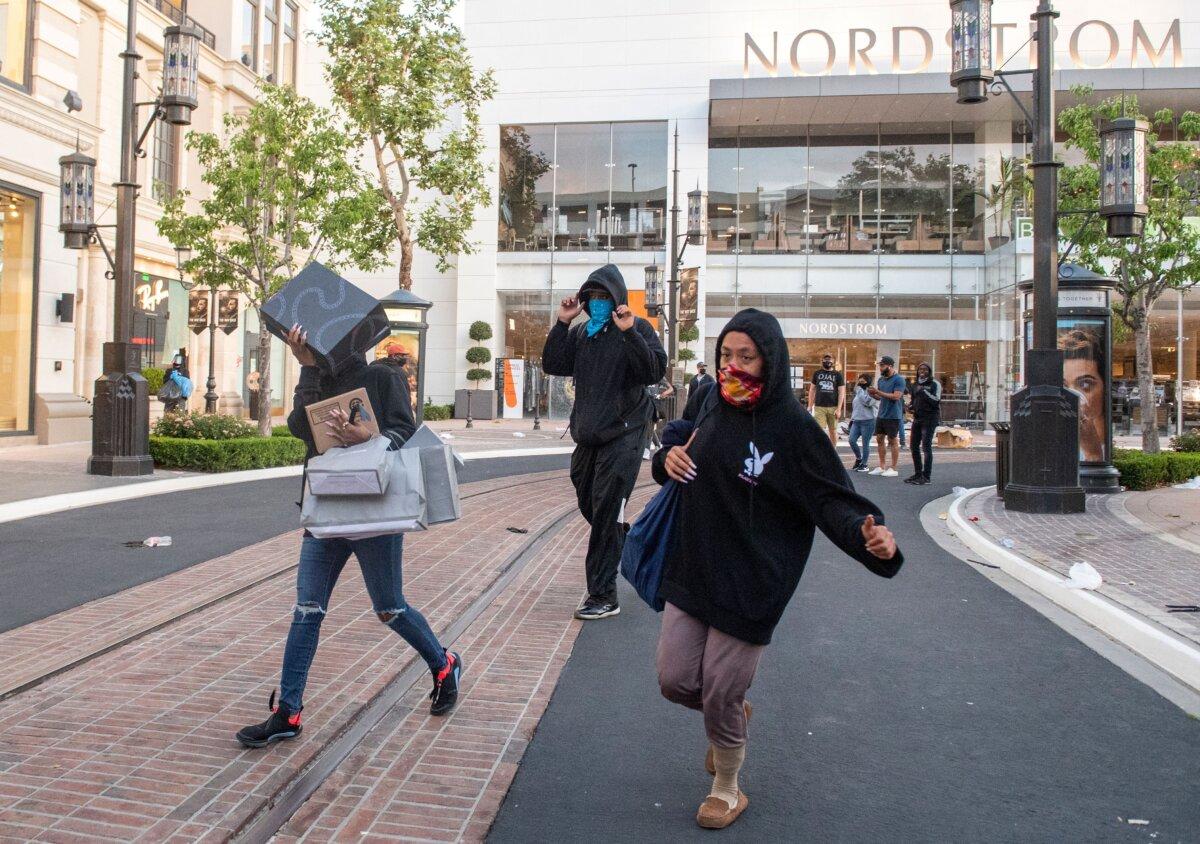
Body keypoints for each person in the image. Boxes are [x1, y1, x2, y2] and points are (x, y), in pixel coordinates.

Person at [652, 309, 902, 830]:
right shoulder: (708, 401)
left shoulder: (793, 427)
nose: (734, 367)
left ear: (771, 361)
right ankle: (730, 719)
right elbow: (675, 439)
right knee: (675, 680)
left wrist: (867, 535)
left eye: (747, 357)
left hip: (756, 577)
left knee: (721, 687)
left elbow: (831, 499)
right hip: (696, 563)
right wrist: (666, 458)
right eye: (727, 355)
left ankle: (726, 786)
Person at [236, 323, 462, 749]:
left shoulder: (383, 376)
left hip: (374, 513)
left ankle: (444, 662)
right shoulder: (316, 377)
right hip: (326, 510)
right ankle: (288, 712)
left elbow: (406, 431)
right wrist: (306, 370)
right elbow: (301, 431)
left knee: (389, 609)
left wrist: (370, 437)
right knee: (307, 608)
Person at [542, 264, 667, 621]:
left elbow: (652, 371)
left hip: (625, 432)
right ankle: (621, 538)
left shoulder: (637, 327)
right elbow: (554, 363)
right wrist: (563, 322)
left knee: (607, 508)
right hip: (588, 433)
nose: (597, 302)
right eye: (591, 297)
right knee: (589, 499)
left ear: (617, 299)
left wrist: (629, 333)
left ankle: (603, 594)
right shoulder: (583, 334)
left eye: (603, 297)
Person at [1059, 327, 1107, 462]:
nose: (1072, 396)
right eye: (1063, 386)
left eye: (1085, 385)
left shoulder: (1103, 450)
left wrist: (1093, 453)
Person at [868, 356, 905, 477]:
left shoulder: (899, 379)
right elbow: (881, 397)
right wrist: (873, 394)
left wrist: (878, 392)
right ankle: (882, 466)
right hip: (882, 413)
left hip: (893, 414)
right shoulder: (881, 380)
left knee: (892, 440)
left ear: (890, 366)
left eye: (882, 365)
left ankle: (893, 467)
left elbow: (896, 396)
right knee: (879, 439)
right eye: (880, 365)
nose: (880, 368)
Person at [906, 362, 941, 485]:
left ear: (929, 371)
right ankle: (918, 473)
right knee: (913, 446)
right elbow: (914, 400)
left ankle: (926, 476)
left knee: (926, 446)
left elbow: (936, 401)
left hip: (930, 418)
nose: (922, 371)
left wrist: (924, 392)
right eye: (920, 369)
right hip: (918, 417)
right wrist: (910, 406)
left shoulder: (934, 384)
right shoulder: (915, 384)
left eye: (925, 369)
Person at [808, 353, 845, 445]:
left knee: (833, 431)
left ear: (833, 361)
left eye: (829, 359)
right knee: (819, 431)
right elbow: (812, 390)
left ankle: (833, 451)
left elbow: (842, 392)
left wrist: (839, 409)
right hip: (819, 406)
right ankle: (822, 451)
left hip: (833, 407)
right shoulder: (817, 373)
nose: (827, 361)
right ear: (822, 361)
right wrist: (810, 406)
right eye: (825, 359)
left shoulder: (837, 375)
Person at [848, 373, 878, 472]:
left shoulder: (872, 392)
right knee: (851, 440)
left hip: (868, 421)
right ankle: (859, 458)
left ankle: (864, 464)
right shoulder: (858, 392)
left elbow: (868, 402)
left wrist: (860, 391)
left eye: (863, 380)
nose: (860, 382)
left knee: (865, 443)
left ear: (868, 381)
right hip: (856, 421)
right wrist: (852, 419)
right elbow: (856, 406)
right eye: (859, 380)